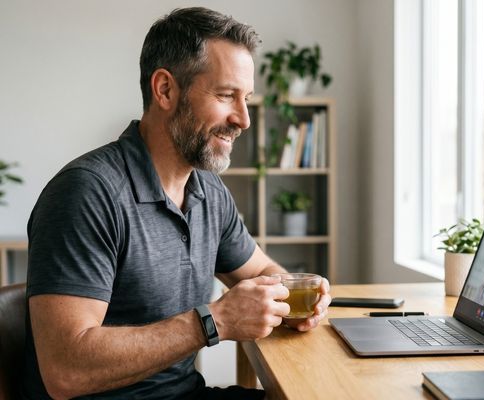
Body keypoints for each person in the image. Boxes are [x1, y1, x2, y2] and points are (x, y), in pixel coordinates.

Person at [23, 7, 331, 400]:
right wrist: (213, 321)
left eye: (246, 99)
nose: (243, 119)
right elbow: (64, 370)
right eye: (225, 96)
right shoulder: (86, 193)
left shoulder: (207, 190)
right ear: (165, 90)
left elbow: (263, 272)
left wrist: (301, 296)